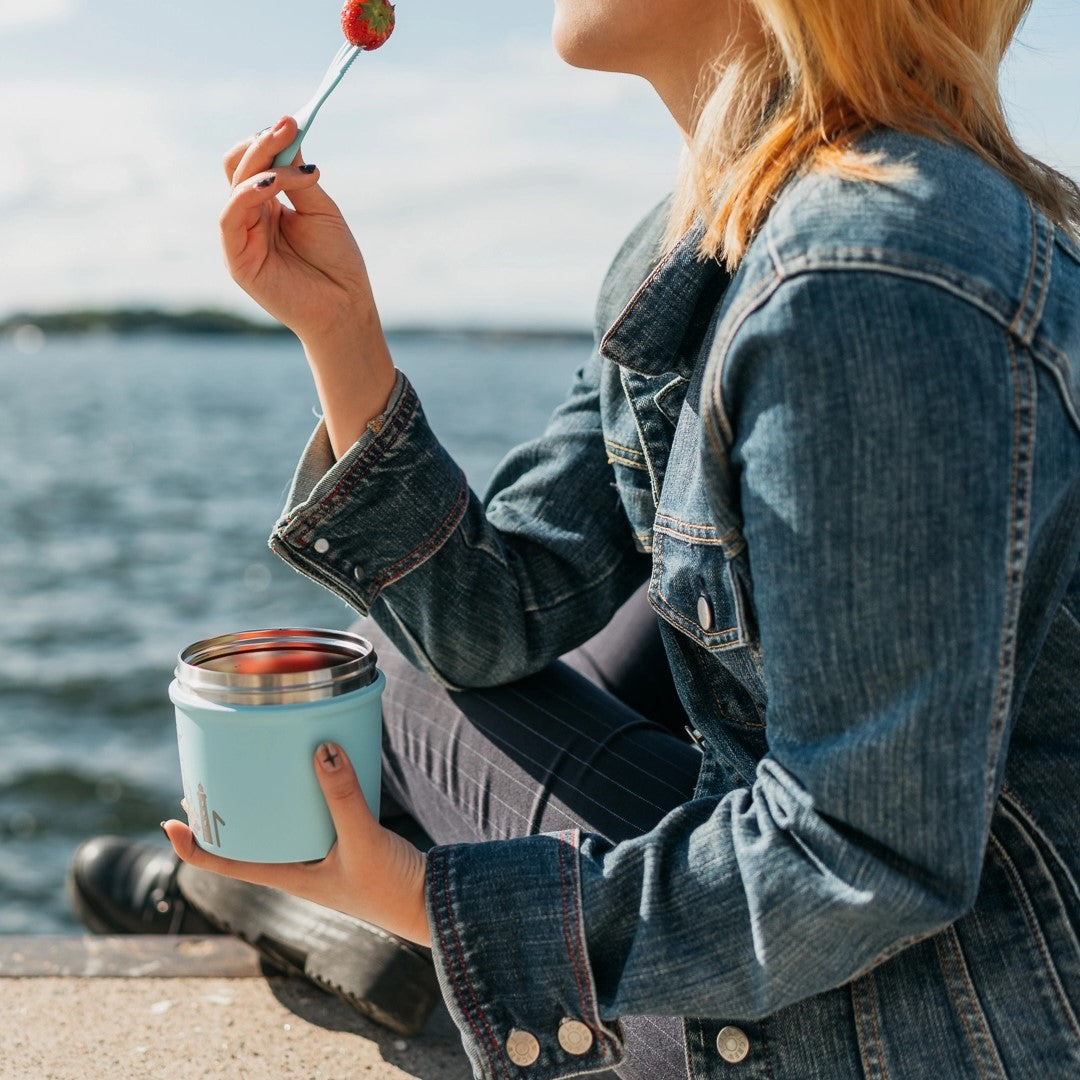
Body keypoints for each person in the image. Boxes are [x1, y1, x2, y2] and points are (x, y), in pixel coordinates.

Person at [69, 0, 1080, 1077]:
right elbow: (500, 614)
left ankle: (318, 910)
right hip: (904, 958)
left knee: (386, 690)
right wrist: (340, 328)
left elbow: (868, 855)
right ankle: (322, 910)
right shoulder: (720, 231)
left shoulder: (864, 283)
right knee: (577, 627)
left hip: (936, 1016)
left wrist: (429, 903)